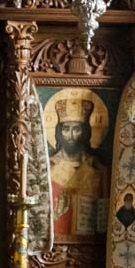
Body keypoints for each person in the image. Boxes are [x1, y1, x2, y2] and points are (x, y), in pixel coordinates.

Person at [48, 94, 109, 238]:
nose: (71, 135)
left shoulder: (97, 169)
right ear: (59, 132)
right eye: (66, 129)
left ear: (85, 132)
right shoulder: (49, 167)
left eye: (76, 129)